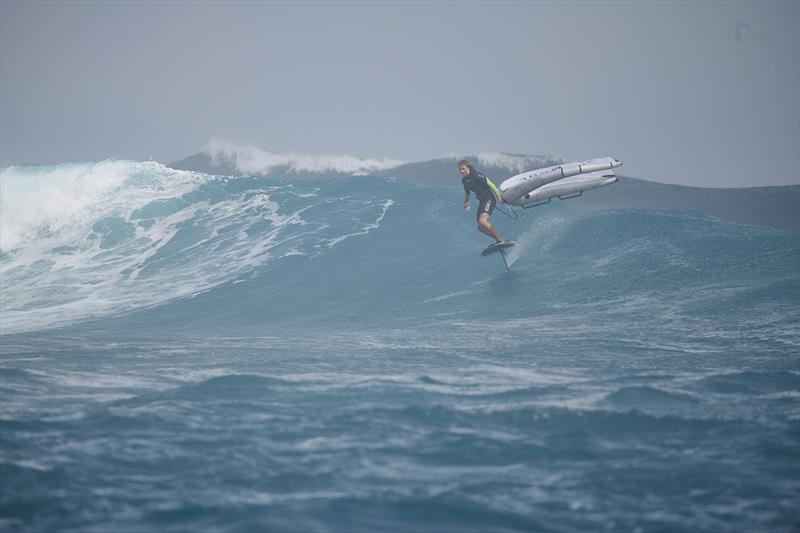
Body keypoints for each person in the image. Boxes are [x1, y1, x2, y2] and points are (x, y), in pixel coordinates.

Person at [458, 159, 506, 244]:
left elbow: (490, 184)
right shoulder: (464, 180)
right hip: (482, 201)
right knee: (480, 227)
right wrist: (466, 203)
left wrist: (498, 196)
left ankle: (500, 240)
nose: (461, 171)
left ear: (468, 167)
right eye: (460, 170)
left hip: (489, 199)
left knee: (483, 221)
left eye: (463, 168)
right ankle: (498, 238)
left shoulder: (477, 175)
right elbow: (467, 193)